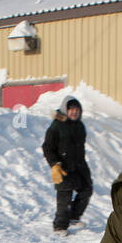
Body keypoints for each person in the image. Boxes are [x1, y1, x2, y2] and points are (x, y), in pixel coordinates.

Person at [42, 96, 92, 234]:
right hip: (62, 166)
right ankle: (60, 226)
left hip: (79, 165)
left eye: (77, 110)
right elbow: (47, 147)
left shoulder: (80, 126)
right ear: (66, 110)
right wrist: (54, 164)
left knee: (86, 190)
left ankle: (73, 217)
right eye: (71, 110)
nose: (74, 112)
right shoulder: (57, 126)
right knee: (65, 197)